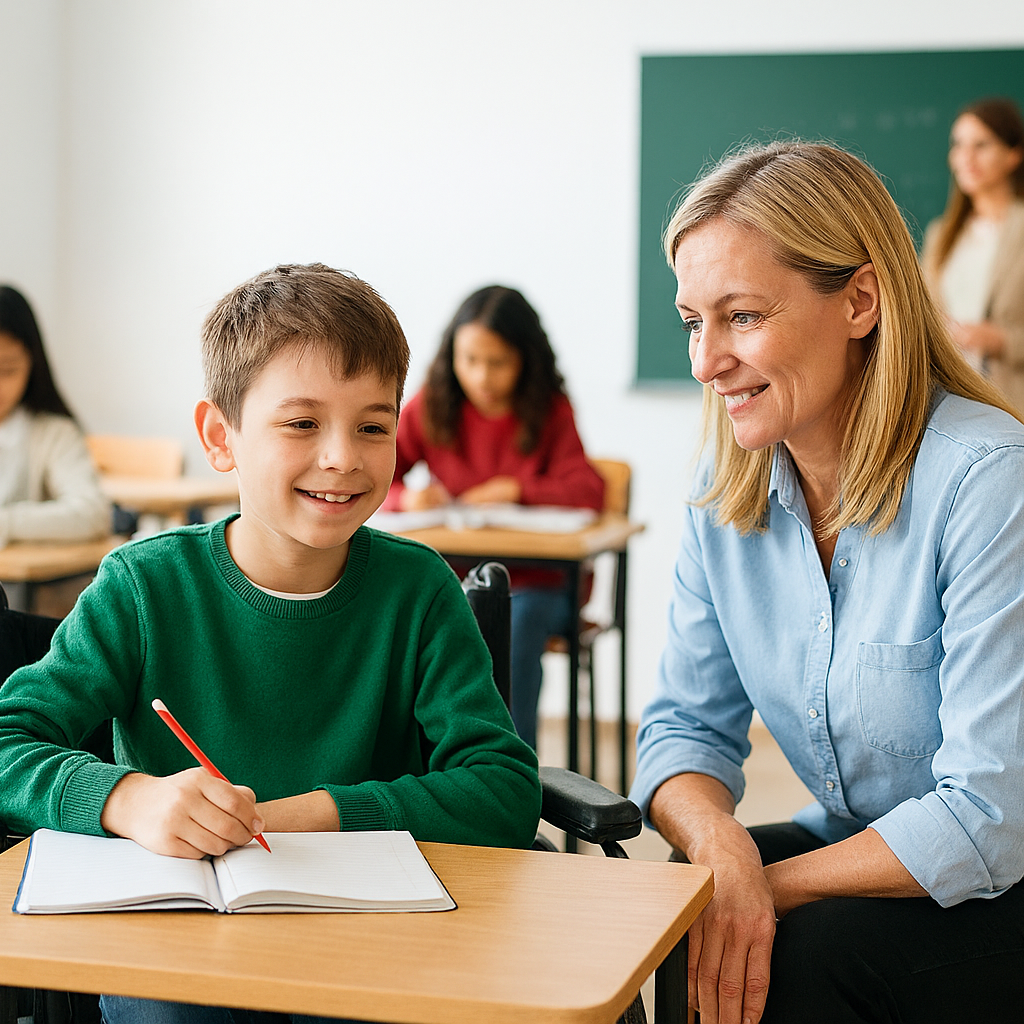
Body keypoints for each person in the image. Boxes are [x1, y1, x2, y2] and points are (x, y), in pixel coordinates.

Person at [0, 264, 541, 1024]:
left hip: (364, 933)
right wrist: (131, 800)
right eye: (301, 423)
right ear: (221, 438)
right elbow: (7, 739)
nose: (342, 457)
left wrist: (315, 814)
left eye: (373, 426)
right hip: (179, 946)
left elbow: (505, 791)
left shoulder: (419, 592)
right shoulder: (144, 585)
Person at [629, 141, 1024, 1024]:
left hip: (1008, 875)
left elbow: (989, 817)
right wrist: (718, 844)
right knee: (683, 916)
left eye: (742, 317)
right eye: (695, 321)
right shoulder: (724, 494)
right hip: (862, 844)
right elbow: (684, 729)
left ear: (860, 300)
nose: (705, 361)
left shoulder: (987, 480)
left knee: (797, 952)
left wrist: (758, 886)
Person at [384, 285, 604, 750]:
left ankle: (508, 762)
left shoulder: (549, 410)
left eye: (497, 363)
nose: (482, 376)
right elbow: (377, 470)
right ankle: (431, 767)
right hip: (456, 577)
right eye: (469, 360)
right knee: (418, 616)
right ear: (451, 356)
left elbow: (589, 489)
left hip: (541, 583)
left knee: (510, 619)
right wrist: (407, 497)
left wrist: (518, 490)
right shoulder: (431, 406)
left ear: (525, 359)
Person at [921, 97, 1024, 412]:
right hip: (953, 400)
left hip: (1012, 399)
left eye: (981, 145)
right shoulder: (941, 234)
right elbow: (927, 312)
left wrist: (1001, 340)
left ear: (1013, 155)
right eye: (958, 144)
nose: (965, 157)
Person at [0, 284, 110, 548]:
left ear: (32, 364)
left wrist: (7, 522)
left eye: (7, 370)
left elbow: (92, 512)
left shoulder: (53, 433)